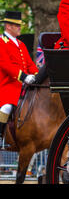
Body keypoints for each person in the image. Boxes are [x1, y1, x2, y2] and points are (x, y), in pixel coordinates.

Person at [0, 11, 38, 148]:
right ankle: (1, 137)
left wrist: (37, 75)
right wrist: (24, 77)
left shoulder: (20, 44)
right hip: (7, 85)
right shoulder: (1, 42)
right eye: (16, 25)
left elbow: (29, 63)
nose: (19, 28)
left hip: (24, 85)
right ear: (8, 26)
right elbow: (6, 65)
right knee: (7, 107)